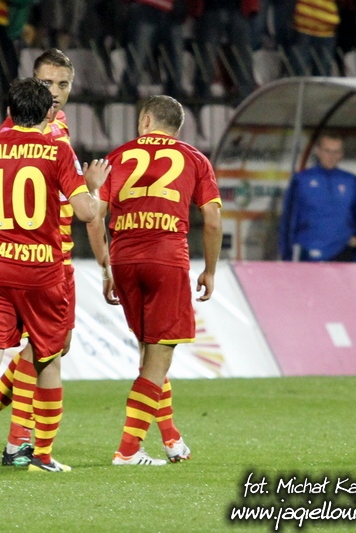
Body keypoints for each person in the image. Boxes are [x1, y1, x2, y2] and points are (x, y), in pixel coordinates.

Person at [0, 77, 110, 474]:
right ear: (48, 115)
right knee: (48, 360)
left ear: (9, 112)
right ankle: (40, 455)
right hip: (42, 270)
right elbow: (86, 213)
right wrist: (92, 187)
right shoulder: (57, 150)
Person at [87, 95, 223, 466]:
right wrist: (210, 270)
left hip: (125, 261)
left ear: (146, 120)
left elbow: (94, 217)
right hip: (166, 260)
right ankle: (128, 449)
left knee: (149, 355)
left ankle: (171, 437)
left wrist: (106, 267)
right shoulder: (195, 159)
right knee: (158, 358)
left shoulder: (117, 157)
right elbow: (212, 221)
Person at [278, 133, 356, 262]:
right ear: (318, 151)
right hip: (308, 250)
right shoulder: (302, 180)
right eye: (327, 151)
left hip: (342, 251)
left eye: (336, 152)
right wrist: (286, 253)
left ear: (341, 154)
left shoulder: (350, 181)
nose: (331, 157)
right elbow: (289, 218)